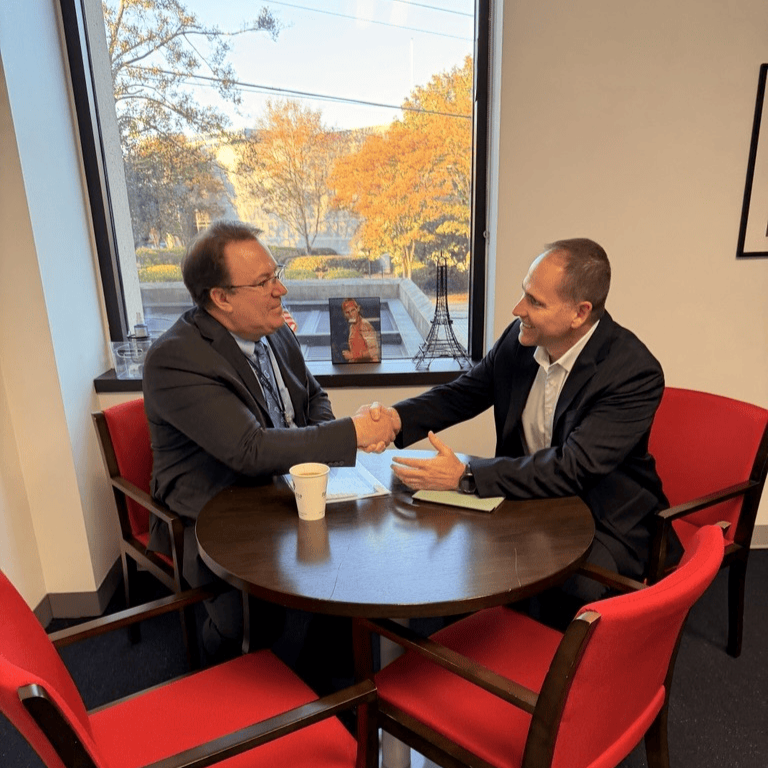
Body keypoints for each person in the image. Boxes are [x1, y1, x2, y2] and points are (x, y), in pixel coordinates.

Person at [365, 238, 681, 621]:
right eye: (524, 293)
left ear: (579, 313)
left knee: (570, 590)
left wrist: (465, 476)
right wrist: (396, 420)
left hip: (603, 515)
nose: (518, 309)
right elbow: (464, 393)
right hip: (528, 501)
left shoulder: (632, 371)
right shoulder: (521, 342)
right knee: (447, 554)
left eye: (535, 301)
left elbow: (573, 467)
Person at [142, 219, 397, 661]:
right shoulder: (175, 358)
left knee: (359, 557)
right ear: (221, 298)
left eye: (276, 274)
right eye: (264, 282)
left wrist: (316, 460)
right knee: (253, 626)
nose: (281, 289)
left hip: (284, 487)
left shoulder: (273, 329)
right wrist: (353, 433)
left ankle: (331, 668)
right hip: (219, 509)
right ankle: (223, 668)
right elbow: (251, 449)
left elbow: (313, 396)